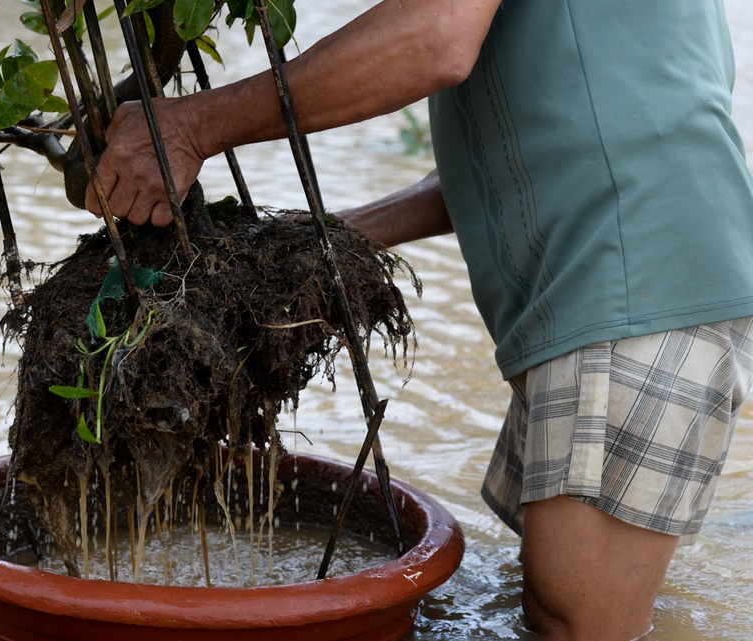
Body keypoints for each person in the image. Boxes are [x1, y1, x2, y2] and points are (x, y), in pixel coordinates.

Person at [81, 1, 753, 639]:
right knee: (550, 608)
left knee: (577, 624)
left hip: (630, 284)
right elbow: (527, 151)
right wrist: (327, 241)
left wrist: (193, 124)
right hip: (627, 277)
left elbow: (436, 35)